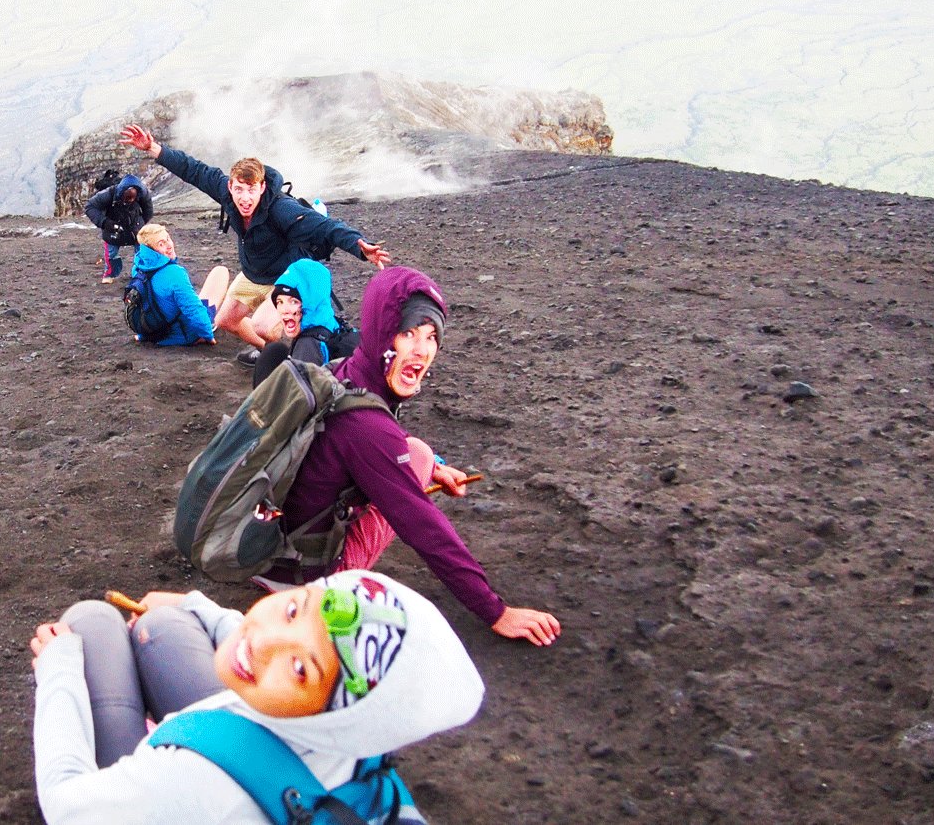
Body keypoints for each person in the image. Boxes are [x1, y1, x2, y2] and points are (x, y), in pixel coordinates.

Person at [261, 265, 562, 647]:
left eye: (431, 335)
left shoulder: (344, 371)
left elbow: (379, 441)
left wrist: (433, 467)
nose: (422, 350)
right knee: (411, 471)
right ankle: (325, 586)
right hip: (303, 580)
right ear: (381, 331)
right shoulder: (368, 426)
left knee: (418, 454)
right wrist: (495, 610)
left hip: (268, 545)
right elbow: (422, 525)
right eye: (407, 333)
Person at [29, 569, 484, 823]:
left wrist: (57, 668)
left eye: (301, 668)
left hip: (184, 795)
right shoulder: (359, 731)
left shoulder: (192, 785)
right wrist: (196, 606)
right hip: (279, 775)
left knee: (89, 624)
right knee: (163, 624)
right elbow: (294, 640)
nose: (263, 642)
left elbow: (64, 803)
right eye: (292, 608)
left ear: (335, 714)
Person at [118, 124, 389, 363]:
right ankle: (275, 356)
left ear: (261, 187)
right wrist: (154, 148)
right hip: (254, 272)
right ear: (230, 187)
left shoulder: (281, 209)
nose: (244, 197)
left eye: (251, 190)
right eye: (238, 189)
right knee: (225, 321)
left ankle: (289, 360)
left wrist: (359, 246)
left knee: (261, 325)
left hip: (284, 274)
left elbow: (326, 227)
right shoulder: (227, 194)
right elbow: (194, 170)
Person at [250, 257, 360, 387]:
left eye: (294, 302)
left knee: (272, 353)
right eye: (280, 302)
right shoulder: (332, 323)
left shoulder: (308, 345)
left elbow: (302, 399)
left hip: (324, 403)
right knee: (275, 350)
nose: (285, 310)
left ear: (311, 302)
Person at [131, 223, 229, 347]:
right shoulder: (174, 273)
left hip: (151, 332)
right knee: (220, 272)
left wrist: (142, 335)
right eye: (161, 244)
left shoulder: (138, 268)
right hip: (180, 334)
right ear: (151, 249)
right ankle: (210, 325)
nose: (169, 245)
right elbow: (193, 309)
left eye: (168, 239)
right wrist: (207, 335)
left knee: (175, 300)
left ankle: (145, 335)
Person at [84, 173, 154, 283]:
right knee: (111, 253)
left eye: (132, 199)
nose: (129, 201)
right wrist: (105, 222)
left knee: (141, 253)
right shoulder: (109, 194)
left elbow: (148, 210)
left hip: (135, 229)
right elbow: (90, 206)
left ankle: (140, 275)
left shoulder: (143, 193)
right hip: (113, 228)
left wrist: (141, 224)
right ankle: (109, 274)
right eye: (126, 199)